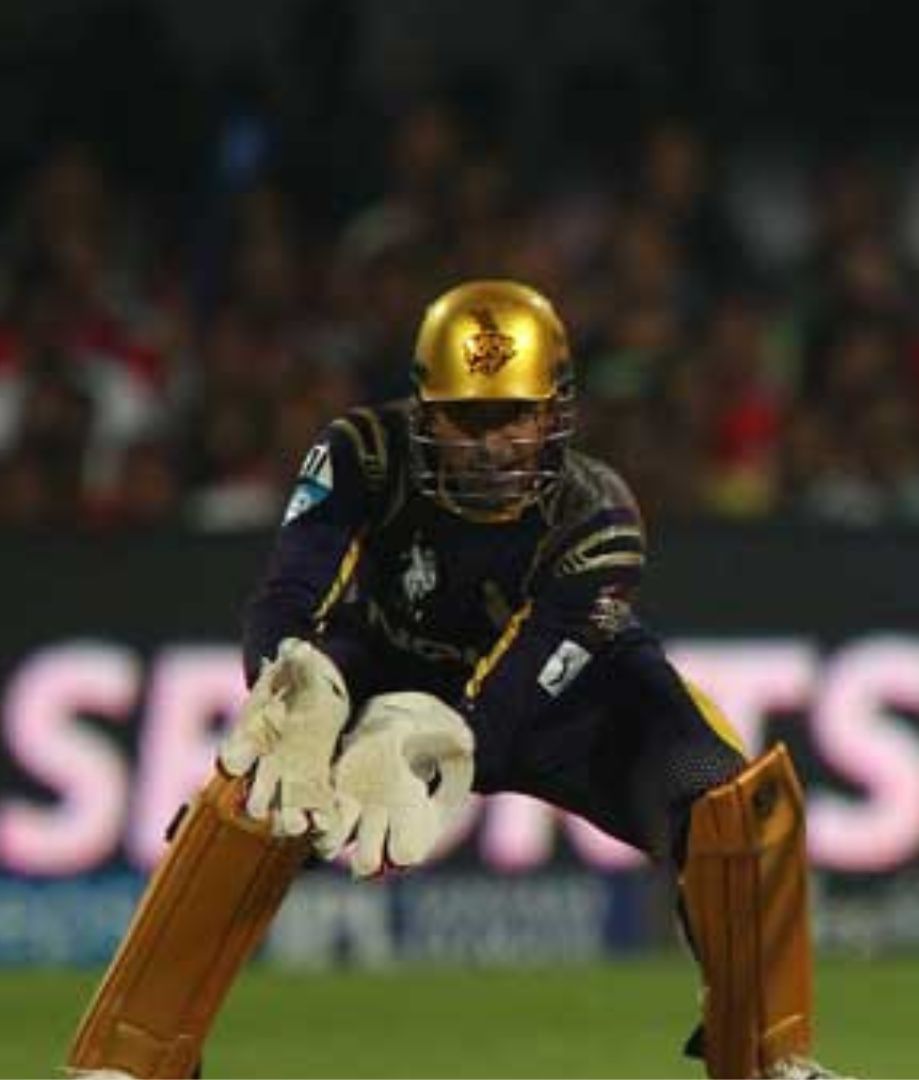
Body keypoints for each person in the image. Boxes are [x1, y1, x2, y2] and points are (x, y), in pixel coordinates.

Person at [66, 280, 837, 1080]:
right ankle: (129, 1062)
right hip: (385, 666)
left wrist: (441, 731)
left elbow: (532, 675)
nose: (492, 443)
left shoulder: (599, 516)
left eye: (516, 414)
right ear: (423, 410)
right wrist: (289, 682)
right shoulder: (362, 454)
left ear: (555, 412)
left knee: (736, 808)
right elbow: (288, 595)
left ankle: (768, 1061)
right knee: (255, 784)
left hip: (564, 702)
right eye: (467, 417)